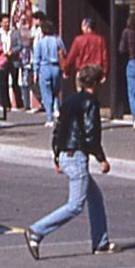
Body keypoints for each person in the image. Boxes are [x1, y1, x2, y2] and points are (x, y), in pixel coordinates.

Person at [25, 67, 113, 258]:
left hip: (66, 154)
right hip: (77, 156)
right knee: (75, 205)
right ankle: (37, 231)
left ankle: (101, 242)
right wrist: (102, 159)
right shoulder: (90, 102)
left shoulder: (69, 101)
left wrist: (57, 156)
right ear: (95, 83)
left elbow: (58, 131)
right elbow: (91, 134)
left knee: (95, 197)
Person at [61, 14, 110, 96]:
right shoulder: (100, 39)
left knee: (80, 94)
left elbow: (71, 57)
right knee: (94, 94)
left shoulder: (78, 40)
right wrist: (104, 73)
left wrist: (66, 70)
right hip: (95, 71)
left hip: (82, 70)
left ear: (87, 27)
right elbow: (105, 57)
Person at [32, 14, 66, 124]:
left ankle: (49, 117)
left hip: (44, 68)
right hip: (56, 67)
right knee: (56, 91)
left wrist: (35, 72)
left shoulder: (40, 42)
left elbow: (36, 58)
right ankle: (57, 110)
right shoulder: (58, 40)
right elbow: (64, 52)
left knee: (46, 93)